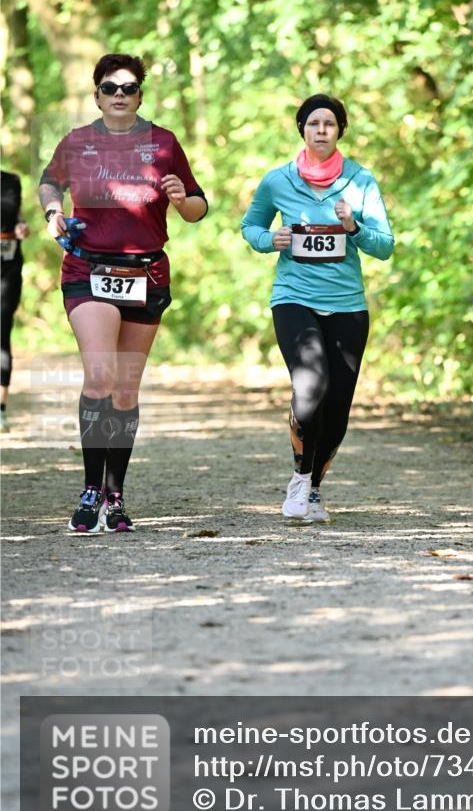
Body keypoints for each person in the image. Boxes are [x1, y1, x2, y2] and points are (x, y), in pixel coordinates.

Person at [39, 53, 208, 533]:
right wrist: (53, 212)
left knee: (126, 387)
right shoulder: (78, 142)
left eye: (128, 88)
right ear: (96, 96)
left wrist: (181, 199)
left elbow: (197, 208)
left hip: (145, 274)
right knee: (100, 376)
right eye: (109, 88)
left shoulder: (163, 143)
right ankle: (90, 490)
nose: (119, 95)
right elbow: (49, 183)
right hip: (87, 269)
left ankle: (115, 495)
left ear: (139, 96)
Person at [241, 94, 394, 522]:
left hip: (347, 305)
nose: (321, 130)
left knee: (338, 407)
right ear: (302, 130)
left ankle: (313, 491)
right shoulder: (278, 181)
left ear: (340, 130)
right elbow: (250, 226)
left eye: (329, 123)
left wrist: (353, 227)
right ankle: (300, 477)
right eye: (313, 123)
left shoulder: (361, 181)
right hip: (294, 298)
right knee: (311, 384)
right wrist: (269, 240)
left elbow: (385, 246)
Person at [1, 170, 29, 431]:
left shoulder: (11, 181)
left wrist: (21, 225)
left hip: (7, 268)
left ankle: (1, 409)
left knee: (2, 332)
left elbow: (15, 215)